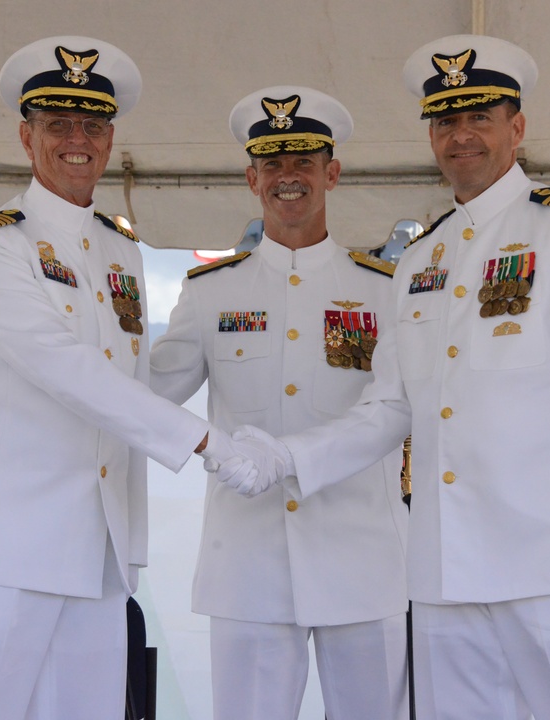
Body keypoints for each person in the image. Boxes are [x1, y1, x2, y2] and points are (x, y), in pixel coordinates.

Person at [224, 35, 550, 719]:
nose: (461, 137)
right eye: (446, 121)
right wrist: (288, 457)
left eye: (478, 118)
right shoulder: (423, 258)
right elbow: (391, 406)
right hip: (441, 572)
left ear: (515, 128)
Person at [0, 35, 246, 720]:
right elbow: (62, 369)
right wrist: (211, 444)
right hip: (0, 547)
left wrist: (230, 322)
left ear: (109, 138)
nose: (77, 139)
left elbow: (134, 383)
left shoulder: (120, 251)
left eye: (92, 125)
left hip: (98, 551)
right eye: (58, 124)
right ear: (26, 136)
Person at [149, 86, 409, 720]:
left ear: (332, 173)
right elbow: (150, 395)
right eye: (272, 163)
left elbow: (399, 407)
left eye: (303, 161)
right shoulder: (211, 291)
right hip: (249, 566)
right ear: (251, 178)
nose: (287, 177)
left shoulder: (385, 289)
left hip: (362, 561)